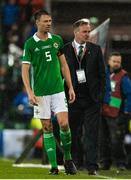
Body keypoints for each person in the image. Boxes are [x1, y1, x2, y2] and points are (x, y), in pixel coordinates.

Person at [22, 9, 77, 175]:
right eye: (45, 21)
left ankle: (67, 159)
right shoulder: (30, 44)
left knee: (64, 123)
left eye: (50, 21)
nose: (48, 24)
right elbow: (25, 70)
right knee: (47, 128)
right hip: (40, 93)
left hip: (58, 90)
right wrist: (30, 92)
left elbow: (64, 65)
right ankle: (54, 166)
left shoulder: (57, 40)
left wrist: (70, 86)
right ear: (37, 22)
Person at [63, 18, 106, 175]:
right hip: (73, 98)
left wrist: (100, 96)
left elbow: (103, 75)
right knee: (73, 133)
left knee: (92, 134)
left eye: (89, 31)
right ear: (76, 32)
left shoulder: (95, 49)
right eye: (85, 31)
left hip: (92, 100)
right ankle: (75, 163)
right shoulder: (65, 50)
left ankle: (92, 167)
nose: (88, 34)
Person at [100, 52, 131, 171]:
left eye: (118, 62)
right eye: (114, 61)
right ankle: (105, 162)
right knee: (102, 139)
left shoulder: (123, 77)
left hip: (117, 113)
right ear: (109, 61)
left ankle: (121, 163)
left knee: (116, 140)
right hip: (103, 111)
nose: (116, 64)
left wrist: (127, 110)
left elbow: (129, 95)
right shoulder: (104, 73)